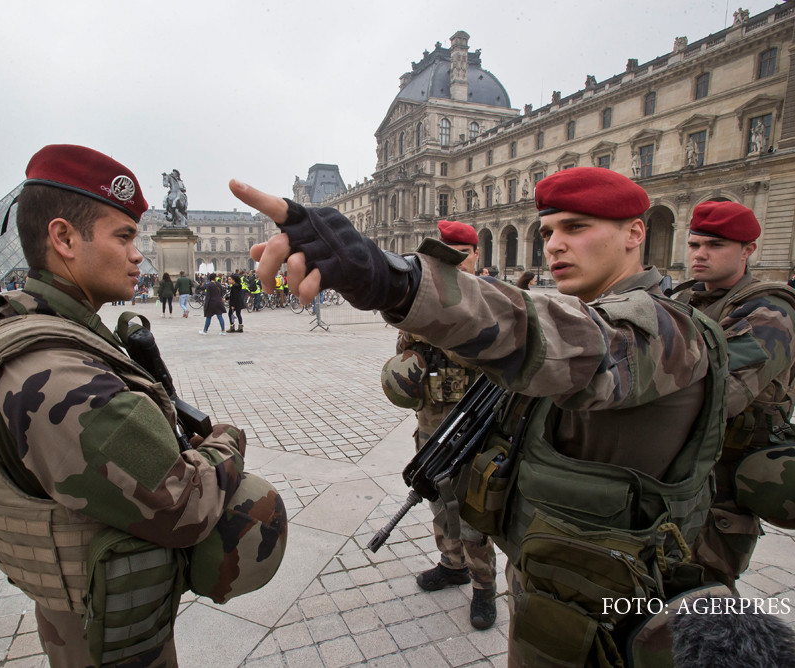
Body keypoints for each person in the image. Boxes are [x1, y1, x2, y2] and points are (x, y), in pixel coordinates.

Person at [231, 167, 730, 666]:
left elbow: (558, 339)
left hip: (624, 612)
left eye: (576, 228)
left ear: (635, 233)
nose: (554, 245)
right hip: (559, 587)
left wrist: (390, 279)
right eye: (549, 231)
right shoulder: (595, 311)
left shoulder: (667, 327)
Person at [0, 144, 284, 667]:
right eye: (124, 236)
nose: (139, 253)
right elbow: (185, 504)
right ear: (63, 238)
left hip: (90, 612)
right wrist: (226, 442)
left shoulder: (36, 329)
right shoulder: (57, 375)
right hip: (108, 633)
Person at [674, 201, 795, 590]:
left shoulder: (769, 309)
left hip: (723, 481)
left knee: (702, 589)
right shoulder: (687, 300)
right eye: (695, 244)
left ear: (748, 249)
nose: (700, 254)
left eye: (715, 245)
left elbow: (722, 394)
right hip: (681, 470)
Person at [382, 220, 497, 629]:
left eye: (463, 252)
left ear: (476, 253)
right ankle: (452, 564)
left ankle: (484, 588)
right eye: (446, 254)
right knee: (436, 497)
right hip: (431, 421)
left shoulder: (493, 300)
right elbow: (405, 351)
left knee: (471, 513)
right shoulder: (426, 302)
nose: (456, 261)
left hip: (476, 427)